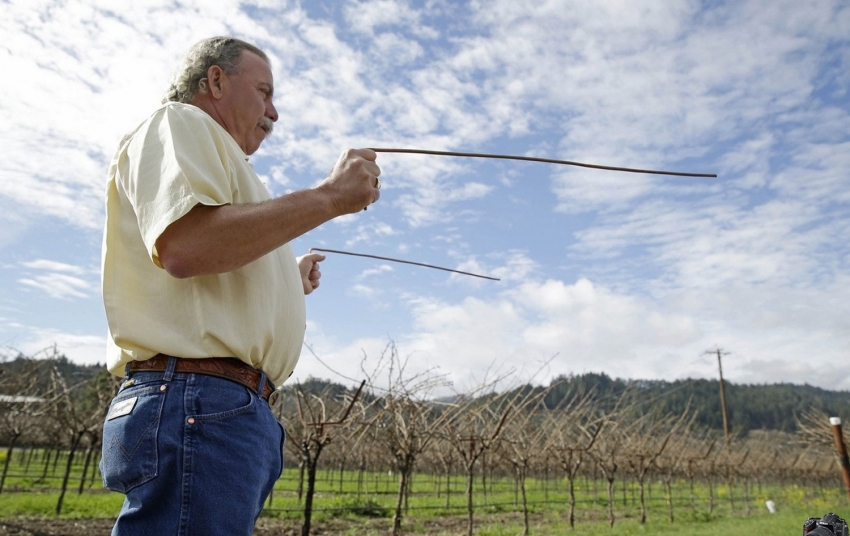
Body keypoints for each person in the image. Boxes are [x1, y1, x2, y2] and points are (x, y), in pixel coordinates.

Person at [99, 36, 381, 536]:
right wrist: (330, 197)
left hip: (214, 407)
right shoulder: (180, 123)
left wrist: (283, 280)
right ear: (215, 80)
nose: (274, 112)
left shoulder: (226, 167)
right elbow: (189, 244)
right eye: (265, 92)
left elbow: (211, 255)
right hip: (197, 401)